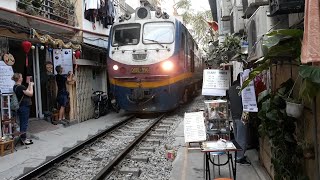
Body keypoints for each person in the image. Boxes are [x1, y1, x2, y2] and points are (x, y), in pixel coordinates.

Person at [228, 73, 251, 165]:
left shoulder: (230, 89)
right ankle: (239, 157)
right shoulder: (245, 88)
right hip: (242, 116)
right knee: (242, 138)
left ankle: (237, 155)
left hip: (234, 116)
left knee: (237, 137)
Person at [12, 73, 34, 145]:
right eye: (21, 77)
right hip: (24, 106)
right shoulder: (20, 87)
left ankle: (23, 138)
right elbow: (30, 93)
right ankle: (23, 140)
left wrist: (29, 85)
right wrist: (31, 85)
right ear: (19, 79)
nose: (22, 78)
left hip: (20, 106)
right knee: (24, 123)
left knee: (22, 122)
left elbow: (25, 92)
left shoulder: (15, 86)